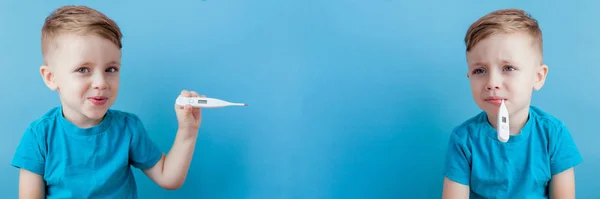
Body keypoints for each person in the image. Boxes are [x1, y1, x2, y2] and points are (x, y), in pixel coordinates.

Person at [11, 5, 203, 198]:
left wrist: (188, 131)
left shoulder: (128, 128)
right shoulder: (39, 136)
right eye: (83, 69)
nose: (101, 83)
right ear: (51, 77)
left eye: (110, 69)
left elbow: (168, 178)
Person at [442, 8, 582, 199]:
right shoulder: (463, 139)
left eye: (508, 68)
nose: (492, 83)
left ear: (538, 77)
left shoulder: (554, 135)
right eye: (480, 70)